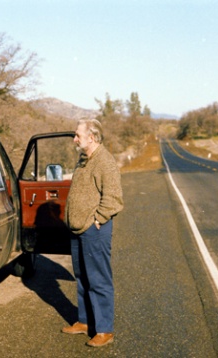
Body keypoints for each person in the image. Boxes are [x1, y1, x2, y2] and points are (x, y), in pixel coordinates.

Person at [62, 118, 124, 347]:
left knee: (99, 279)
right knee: (83, 277)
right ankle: (86, 321)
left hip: (93, 229)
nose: (74, 139)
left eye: (78, 135)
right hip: (78, 229)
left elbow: (114, 197)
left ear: (92, 137)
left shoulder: (104, 161)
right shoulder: (84, 159)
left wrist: (98, 219)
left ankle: (105, 329)